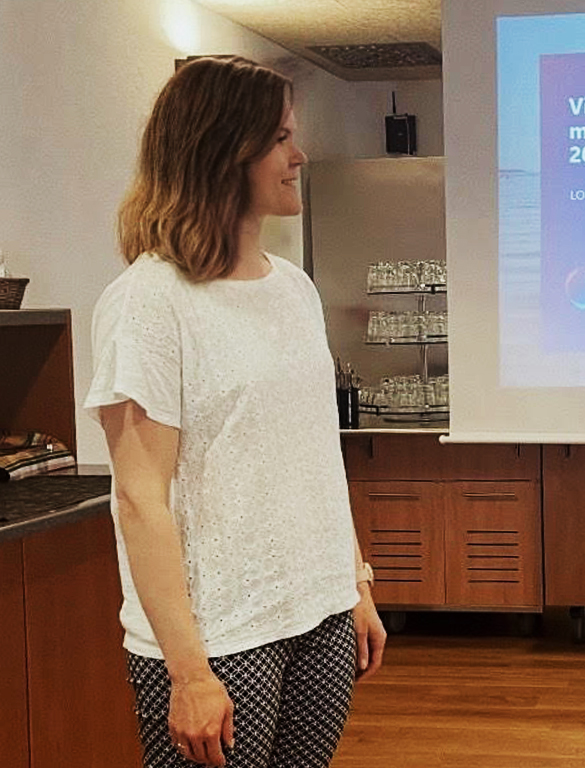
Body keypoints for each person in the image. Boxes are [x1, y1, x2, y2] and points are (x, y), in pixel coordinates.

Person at [85, 56, 386, 768]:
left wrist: (356, 582)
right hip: (219, 638)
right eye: (281, 138)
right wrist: (188, 673)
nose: (299, 155)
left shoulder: (294, 289)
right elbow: (138, 499)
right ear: (224, 150)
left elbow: (315, 455)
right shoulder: (148, 302)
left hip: (320, 613)